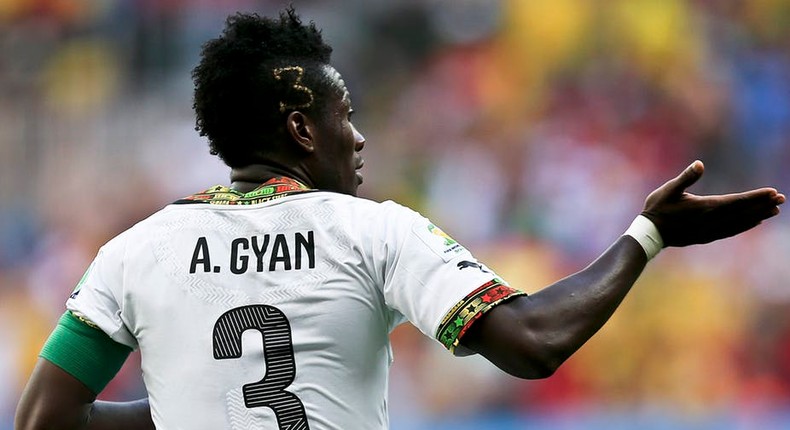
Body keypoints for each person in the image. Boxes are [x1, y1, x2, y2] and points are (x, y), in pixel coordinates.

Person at [15, 8, 786, 430]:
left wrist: (201, 405)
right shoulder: (375, 230)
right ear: (300, 130)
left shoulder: (131, 252)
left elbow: (46, 418)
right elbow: (533, 342)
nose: (360, 135)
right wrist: (647, 236)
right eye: (343, 113)